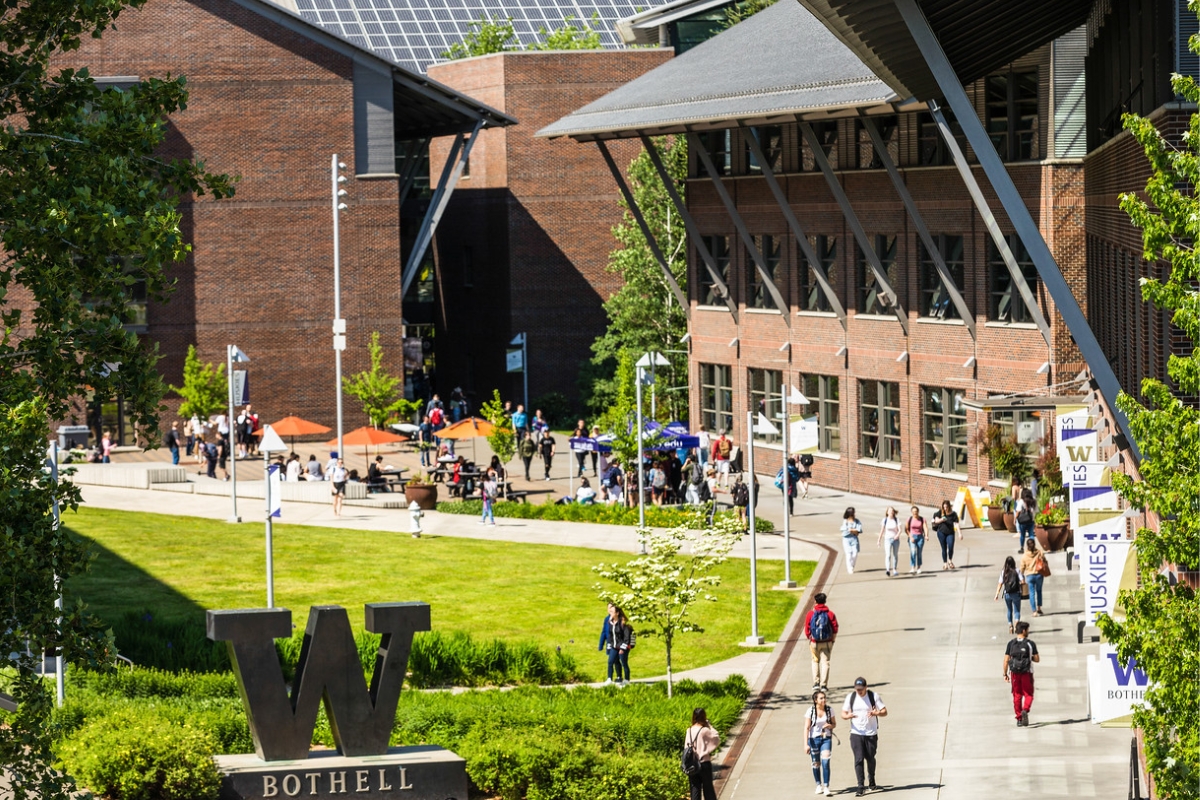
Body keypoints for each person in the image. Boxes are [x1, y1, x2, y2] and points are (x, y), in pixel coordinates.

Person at [841, 677, 887, 796]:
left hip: (871, 733)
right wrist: (848, 716)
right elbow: (843, 714)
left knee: (870, 758)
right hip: (856, 733)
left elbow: (884, 711)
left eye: (861, 689)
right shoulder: (851, 697)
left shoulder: (874, 696)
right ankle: (860, 786)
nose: (859, 691)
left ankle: (871, 779)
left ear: (866, 687)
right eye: (857, 689)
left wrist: (876, 713)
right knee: (858, 759)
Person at [1003, 621, 1040, 726]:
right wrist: (1029, 657)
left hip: (1014, 673)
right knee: (1028, 694)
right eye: (1027, 630)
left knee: (1017, 695)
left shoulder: (1011, 644)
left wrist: (1005, 674)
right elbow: (1037, 659)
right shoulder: (1030, 643)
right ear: (1024, 631)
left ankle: (1019, 718)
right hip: (1027, 673)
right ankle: (1025, 709)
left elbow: (1006, 660)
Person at [804, 689, 836, 796]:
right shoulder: (810, 711)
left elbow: (834, 724)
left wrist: (829, 726)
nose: (824, 700)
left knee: (826, 761)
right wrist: (806, 744)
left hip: (826, 738)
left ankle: (826, 786)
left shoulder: (829, 710)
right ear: (815, 700)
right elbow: (807, 728)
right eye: (821, 698)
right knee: (816, 763)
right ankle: (818, 785)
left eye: (824, 698)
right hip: (813, 739)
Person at [804, 592, 838, 691]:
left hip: (814, 641)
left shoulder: (811, 614)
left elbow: (807, 628)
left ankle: (816, 683)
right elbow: (835, 628)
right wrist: (832, 640)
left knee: (815, 661)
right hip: (827, 641)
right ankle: (824, 685)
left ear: (815, 601)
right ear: (825, 601)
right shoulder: (830, 614)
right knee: (825, 662)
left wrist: (809, 638)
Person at [685, 707, 721, 800]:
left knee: (695, 789)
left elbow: (686, 747)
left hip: (692, 764)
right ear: (703, 717)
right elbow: (716, 738)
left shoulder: (688, 730)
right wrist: (709, 725)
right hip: (704, 763)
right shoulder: (704, 730)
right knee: (708, 789)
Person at [995, 555, 1025, 633]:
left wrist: (997, 594)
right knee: (1017, 610)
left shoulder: (1003, 572)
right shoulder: (1017, 570)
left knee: (1009, 610)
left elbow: (1000, 584)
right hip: (1016, 593)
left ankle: (1010, 625)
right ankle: (1016, 624)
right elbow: (1022, 582)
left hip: (1007, 594)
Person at [1020, 538, 1049, 617]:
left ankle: (1034, 611)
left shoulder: (1024, 556)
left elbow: (1022, 568)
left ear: (1027, 545)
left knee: (1032, 593)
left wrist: (1021, 577)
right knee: (1039, 591)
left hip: (1030, 575)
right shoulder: (1039, 552)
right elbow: (1045, 561)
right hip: (1039, 574)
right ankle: (1039, 608)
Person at [931, 500, 961, 570]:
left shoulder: (953, 514)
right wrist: (942, 519)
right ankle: (945, 563)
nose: (945, 508)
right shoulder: (939, 512)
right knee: (944, 548)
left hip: (950, 533)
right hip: (941, 532)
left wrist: (959, 533)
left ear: (949, 507)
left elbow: (956, 523)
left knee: (950, 546)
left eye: (946, 507)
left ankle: (950, 560)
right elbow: (936, 521)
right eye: (944, 507)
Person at [877, 506, 901, 577]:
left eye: (892, 511)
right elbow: (882, 530)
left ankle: (894, 569)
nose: (891, 512)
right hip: (887, 539)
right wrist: (879, 540)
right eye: (890, 511)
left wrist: (897, 535)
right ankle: (887, 569)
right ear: (887, 512)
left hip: (895, 539)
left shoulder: (896, 520)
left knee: (895, 555)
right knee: (888, 555)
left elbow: (900, 529)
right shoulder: (885, 520)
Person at [906, 506, 928, 574]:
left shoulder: (922, 519)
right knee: (913, 552)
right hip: (912, 536)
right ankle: (912, 567)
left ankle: (918, 567)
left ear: (918, 511)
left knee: (919, 553)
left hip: (920, 537)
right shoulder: (909, 519)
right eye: (913, 512)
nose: (915, 513)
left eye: (916, 511)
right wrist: (910, 537)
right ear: (911, 512)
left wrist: (926, 535)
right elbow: (906, 529)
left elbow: (925, 528)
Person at [841, 507, 863, 574]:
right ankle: (849, 568)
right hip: (846, 539)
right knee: (848, 554)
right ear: (850, 514)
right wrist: (854, 530)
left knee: (855, 553)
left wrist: (852, 530)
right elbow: (845, 531)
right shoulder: (845, 521)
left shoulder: (857, 521)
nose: (854, 514)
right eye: (853, 512)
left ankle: (852, 565)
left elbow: (859, 531)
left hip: (854, 539)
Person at [1015, 488, 1036, 553]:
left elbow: (1018, 511)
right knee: (1031, 534)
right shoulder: (1033, 501)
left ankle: (1022, 548)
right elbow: (1036, 511)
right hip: (1031, 520)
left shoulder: (1021, 501)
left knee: (1022, 535)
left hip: (1022, 521)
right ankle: (1032, 547)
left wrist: (1015, 519)